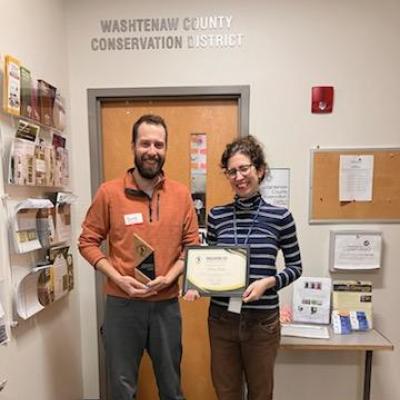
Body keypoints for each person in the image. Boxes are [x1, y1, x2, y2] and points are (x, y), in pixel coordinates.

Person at [78, 114, 199, 400]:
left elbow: (192, 245)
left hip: (166, 306)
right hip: (122, 306)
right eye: (145, 143)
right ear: (133, 145)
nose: (152, 151)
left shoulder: (181, 195)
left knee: (171, 387)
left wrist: (170, 276)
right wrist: (117, 277)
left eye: (159, 144)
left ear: (166, 149)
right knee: (121, 389)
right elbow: (87, 241)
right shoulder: (109, 193)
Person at [185, 135, 302, 400]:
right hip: (222, 319)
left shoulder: (280, 217)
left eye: (244, 168)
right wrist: (197, 286)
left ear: (259, 170)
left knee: (260, 394)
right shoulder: (217, 216)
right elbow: (211, 263)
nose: (238, 177)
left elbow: (295, 266)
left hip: (262, 323)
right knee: (226, 392)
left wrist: (268, 282)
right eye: (231, 171)